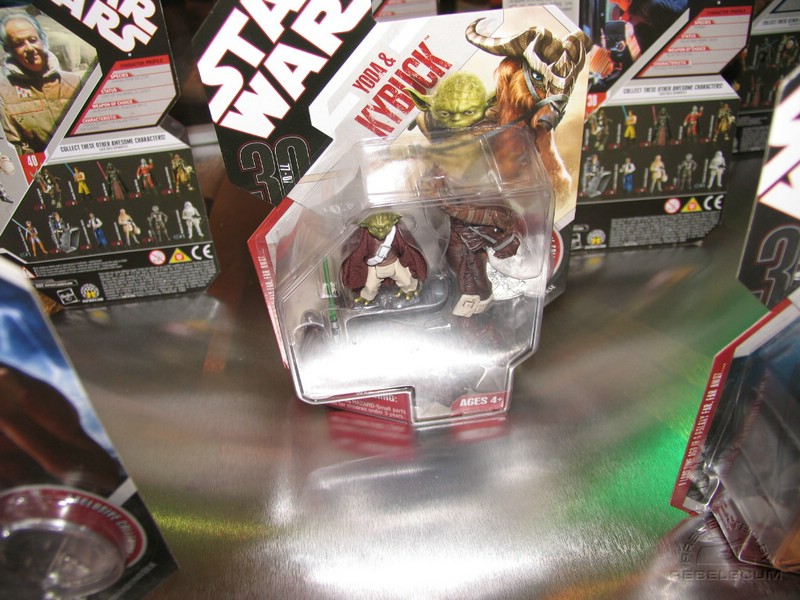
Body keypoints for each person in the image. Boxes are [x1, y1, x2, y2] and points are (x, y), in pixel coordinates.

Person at [0, 13, 82, 154]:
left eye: (32, 40)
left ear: (42, 40)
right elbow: (15, 149)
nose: (29, 48)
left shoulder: (75, 81)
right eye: (19, 44)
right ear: (9, 49)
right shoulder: (4, 93)